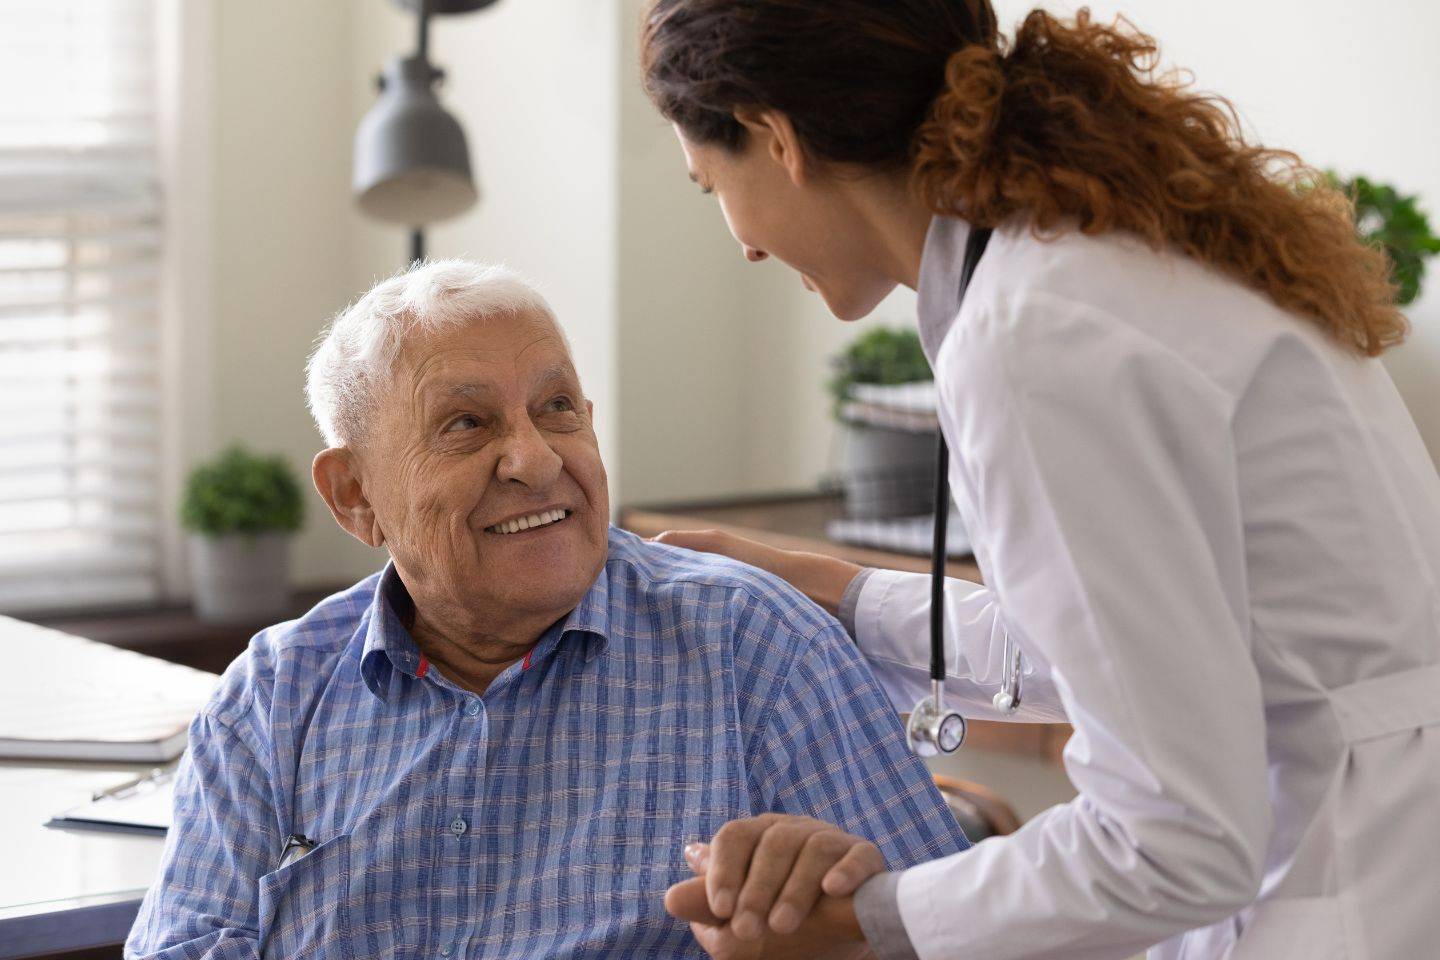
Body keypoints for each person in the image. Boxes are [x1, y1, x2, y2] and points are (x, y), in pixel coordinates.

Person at [639, 2, 1440, 958]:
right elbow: (1132, 638)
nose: (745, 244)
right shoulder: (1096, 253)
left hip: (1359, 887)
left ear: (776, 140)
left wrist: (864, 921)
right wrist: (845, 595)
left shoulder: (1031, 336)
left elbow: (1173, 840)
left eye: (709, 186)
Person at [124, 261, 969, 959]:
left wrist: (849, 939)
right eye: (466, 423)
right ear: (355, 498)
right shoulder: (270, 698)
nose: (533, 459)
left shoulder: (755, 647)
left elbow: (956, 943)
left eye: (557, 408)